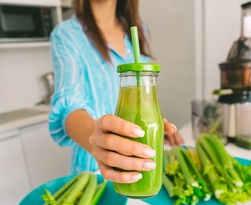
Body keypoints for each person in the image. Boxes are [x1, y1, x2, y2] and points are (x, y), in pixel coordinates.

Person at [49, 0, 184, 184]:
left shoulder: (137, 30)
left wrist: (156, 124)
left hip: (142, 161)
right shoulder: (67, 35)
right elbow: (68, 106)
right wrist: (98, 139)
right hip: (95, 169)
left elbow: (143, 94)